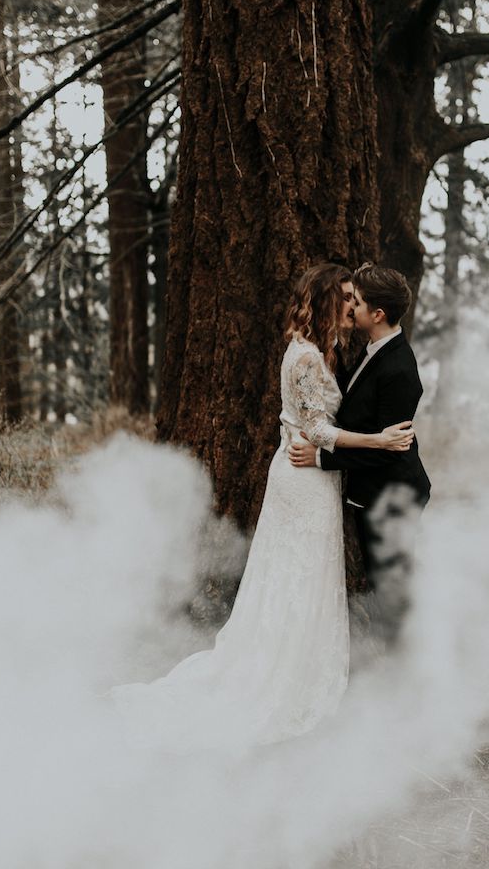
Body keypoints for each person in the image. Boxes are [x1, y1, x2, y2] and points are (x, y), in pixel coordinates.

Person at [108, 263, 414, 752]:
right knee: (297, 573)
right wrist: (378, 441)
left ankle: (300, 659)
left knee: (297, 574)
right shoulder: (309, 359)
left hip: (310, 474)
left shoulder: (317, 349)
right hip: (305, 477)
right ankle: (283, 670)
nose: (351, 306)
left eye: (357, 299)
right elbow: (315, 431)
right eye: (345, 298)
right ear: (327, 301)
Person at [289, 263, 431, 627]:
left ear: (378, 314)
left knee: (391, 588)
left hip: (393, 494)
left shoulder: (399, 369)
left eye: (359, 302)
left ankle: (406, 668)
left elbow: (386, 449)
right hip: (373, 493)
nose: (351, 307)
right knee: (381, 583)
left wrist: (321, 458)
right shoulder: (373, 349)